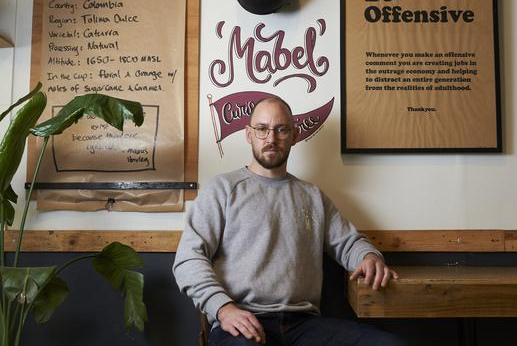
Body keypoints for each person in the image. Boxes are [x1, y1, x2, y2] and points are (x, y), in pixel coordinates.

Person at [173, 97, 403, 346]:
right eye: (262, 129)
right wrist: (223, 309)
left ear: (294, 135)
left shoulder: (313, 196)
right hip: (242, 321)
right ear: (248, 135)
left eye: (281, 129)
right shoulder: (222, 189)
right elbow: (188, 259)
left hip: (304, 324)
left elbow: (348, 242)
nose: (271, 138)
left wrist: (369, 256)